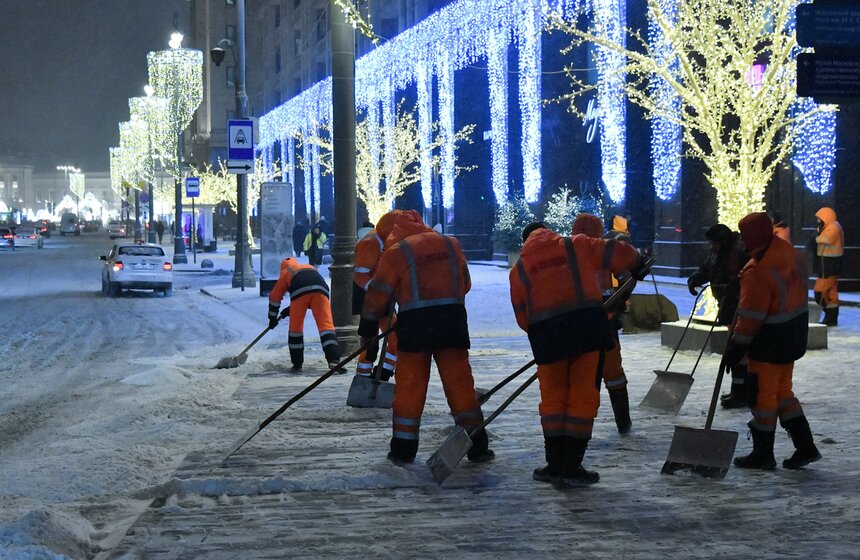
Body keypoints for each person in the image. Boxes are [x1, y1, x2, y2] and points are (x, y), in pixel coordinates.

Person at [509, 221, 646, 485]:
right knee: (582, 395)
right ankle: (572, 465)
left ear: (526, 241)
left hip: (548, 337)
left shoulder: (519, 270)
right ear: (549, 231)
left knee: (553, 399)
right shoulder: (575, 245)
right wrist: (637, 261)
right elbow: (615, 250)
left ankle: (554, 464)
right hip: (586, 329)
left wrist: (546, 334)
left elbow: (521, 314)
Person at [359, 210, 493, 465]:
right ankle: (476, 443)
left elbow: (379, 293)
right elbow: (465, 282)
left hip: (415, 326)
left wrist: (368, 325)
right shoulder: (450, 243)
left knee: (410, 386)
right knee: (460, 383)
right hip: (452, 322)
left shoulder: (396, 252)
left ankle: (403, 447)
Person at [726, 212, 820, 471]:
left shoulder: (758, 270)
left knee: (762, 396)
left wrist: (736, 346)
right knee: (782, 392)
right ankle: (805, 446)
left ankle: (763, 453)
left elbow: (750, 316)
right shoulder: (787, 251)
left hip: (769, 340)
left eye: (744, 236)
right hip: (793, 333)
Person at [572, 213, 634, 434]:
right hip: (605, 323)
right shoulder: (603, 251)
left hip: (579, 324)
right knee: (613, 373)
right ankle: (623, 421)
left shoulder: (568, 253)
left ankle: (581, 427)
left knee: (585, 376)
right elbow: (626, 275)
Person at [686, 223, 750, 408]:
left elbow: (746, 277)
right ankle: (740, 391)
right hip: (728, 306)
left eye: (713, 243)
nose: (710, 247)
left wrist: (733, 287)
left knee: (741, 350)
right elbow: (707, 269)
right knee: (737, 349)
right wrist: (695, 278)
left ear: (722, 242)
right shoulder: (717, 253)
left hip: (740, 306)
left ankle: (742, 392)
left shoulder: (739, 252)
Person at [268, 257, 342, 372]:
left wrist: (272, 317)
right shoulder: (308, 267)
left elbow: (274, 296)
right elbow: (310, 292)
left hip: (299, 292)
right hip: (321, 290)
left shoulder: (285, 271)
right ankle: (334, 359)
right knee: (326, 326)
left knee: (295, 330)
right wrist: (291, 308)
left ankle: (297, 363)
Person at [352, 213, 400, 379]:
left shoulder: (387, 242)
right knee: (370, 344)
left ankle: (383, 374)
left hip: (382, 295)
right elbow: (360, 277)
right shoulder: (370, 243)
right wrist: (381, 292)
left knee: (395, 338)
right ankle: (363, 378)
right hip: (369, 299)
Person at [812, 207, 843, 326]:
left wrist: (816, 238)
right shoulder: (829, 226)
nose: (818, 221)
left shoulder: (833, 227)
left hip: (830, 264)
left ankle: (828, 314)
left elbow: (826, 239)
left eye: (819, 219)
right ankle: (831, 317)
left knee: (820, 291)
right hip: (828, 263)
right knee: (831, 293)